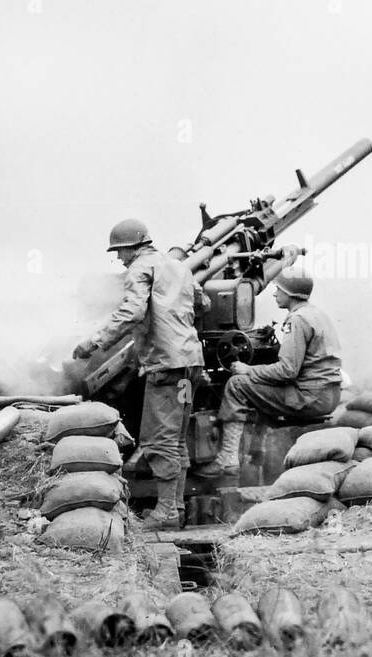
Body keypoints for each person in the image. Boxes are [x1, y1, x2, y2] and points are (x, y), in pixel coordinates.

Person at [71, 219, 204, 530]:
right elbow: (202, 301)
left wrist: (94, 341)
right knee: (177, 439)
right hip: (188, 366)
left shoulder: (138, 270)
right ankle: (176, 507)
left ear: (133, 247)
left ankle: (166, 513)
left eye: (120, 251)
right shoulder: (177, 266)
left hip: (166, 368)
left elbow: (132, 312)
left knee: (158, 441)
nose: (119, 258)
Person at [198, 267, 342, 478]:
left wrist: (248, 369)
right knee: (261, 390)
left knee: (237, 385)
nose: (275, 293)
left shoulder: (297, 320)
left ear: (290, 294)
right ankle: (257, 453)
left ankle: (227, 459)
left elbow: (287, 371)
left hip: (308, 397)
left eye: (278, 288)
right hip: (327, 394)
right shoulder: (317, 314)